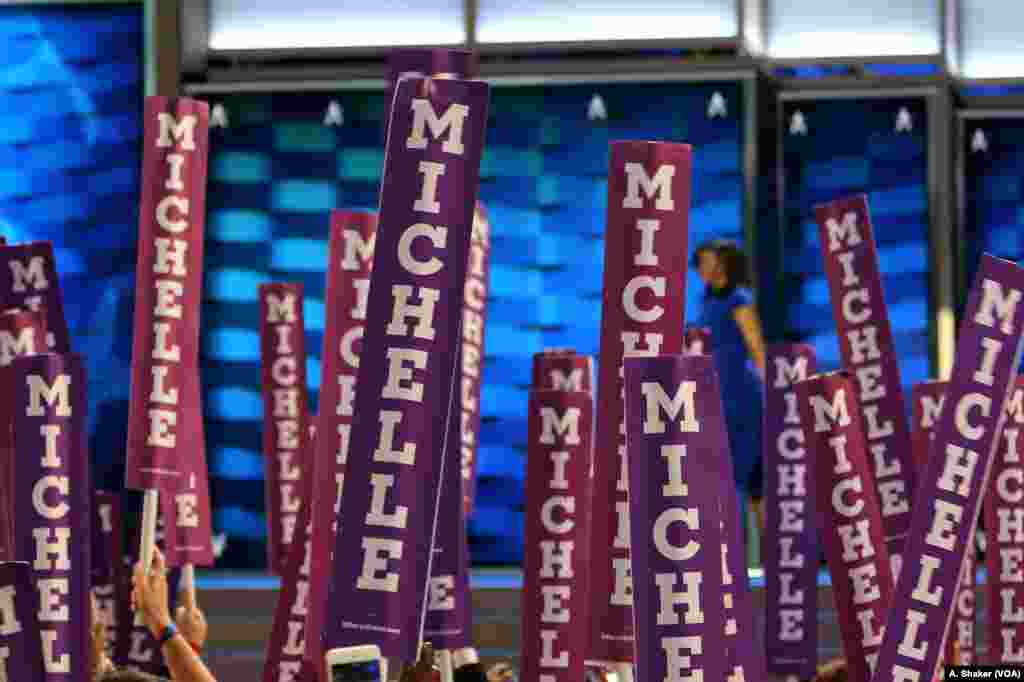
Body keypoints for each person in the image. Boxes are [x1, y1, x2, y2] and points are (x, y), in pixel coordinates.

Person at [692, 239, 767, 532]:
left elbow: (757, 348)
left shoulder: (739, 299)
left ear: (725, 263)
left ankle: (773, 556)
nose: (704, 268)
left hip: (742, 393)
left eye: (710, 261)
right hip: (713, 392)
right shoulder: (705, 301)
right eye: (700, 262)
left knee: (754, 476)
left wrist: (772, 390)